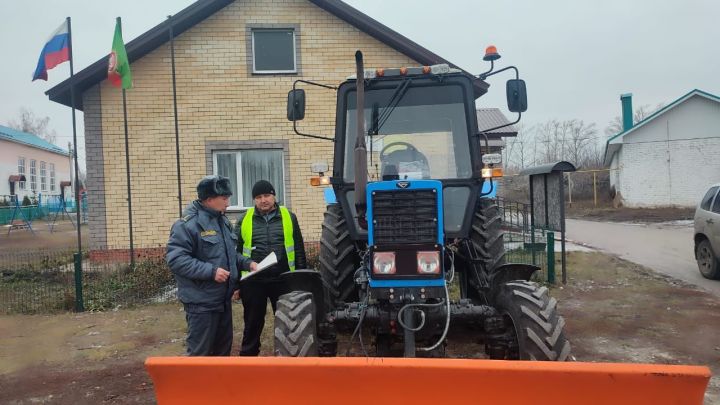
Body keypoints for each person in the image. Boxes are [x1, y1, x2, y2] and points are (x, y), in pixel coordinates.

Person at [166, 175, 257, 356]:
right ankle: (197, 385)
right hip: (201, 304)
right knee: (201, 354)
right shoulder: (188, 225)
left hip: (222, 301)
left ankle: (219, 385)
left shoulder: (221, 221)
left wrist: (248, 263)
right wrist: (211, 271)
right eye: (224, 198)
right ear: (208, 200)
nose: (228, 203)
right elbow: (176, 259)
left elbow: (230, 254)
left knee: (222, 353)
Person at [236, 179, 307, 356]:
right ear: (254, 200)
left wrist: (301, 278)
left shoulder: (289, 217)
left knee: (289, 325)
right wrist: (236, 284)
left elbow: (298, 249)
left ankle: (289, 360)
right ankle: (248, 360)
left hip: (283, 280)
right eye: (258, 197)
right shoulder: (244, 219)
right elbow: (235, 252)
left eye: (267, 195)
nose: (263, 200)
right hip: (253, 282)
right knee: (252, 324)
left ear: (274, 196)